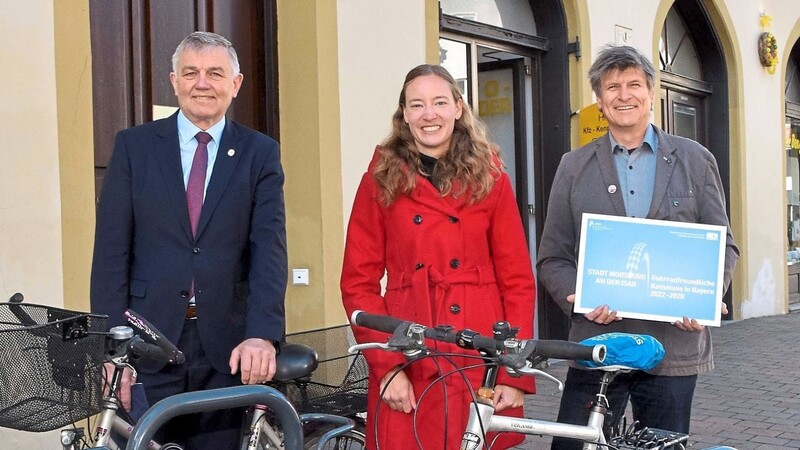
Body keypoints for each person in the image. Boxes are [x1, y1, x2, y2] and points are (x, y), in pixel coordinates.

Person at [90, 31, 287, 449]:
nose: (203, 83)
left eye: (215, 73)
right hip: (147, 346)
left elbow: (268, 249)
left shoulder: (260, 153)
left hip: (228, 349)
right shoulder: (134, 147)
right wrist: (113, 350)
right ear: (174, 80)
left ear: (235, 85)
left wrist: (262, 334)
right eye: (191, 72)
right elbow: (110, 253)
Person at [536, 44, 739, 449]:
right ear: (599, 99)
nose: (623, 95)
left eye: (633, 84)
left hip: (672, 347)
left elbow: (724, 247)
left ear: (652, 91)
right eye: (612, 87)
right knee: (575, 446)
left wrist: (703, 296)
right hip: (597, 344)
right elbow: (552, 256)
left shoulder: (696, 160)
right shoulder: (573, 166)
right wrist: (576, 296)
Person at [340, 64, 536, 450]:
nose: (429, 114)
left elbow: (517, 280)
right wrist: (387, 367)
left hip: (480, 351)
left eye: (440, 102)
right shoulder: (379, 179)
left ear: (458, 108)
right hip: (410, 348)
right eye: (417, 105)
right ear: (405, 115)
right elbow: (357, 282)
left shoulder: (492, 177)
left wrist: (513, 374)